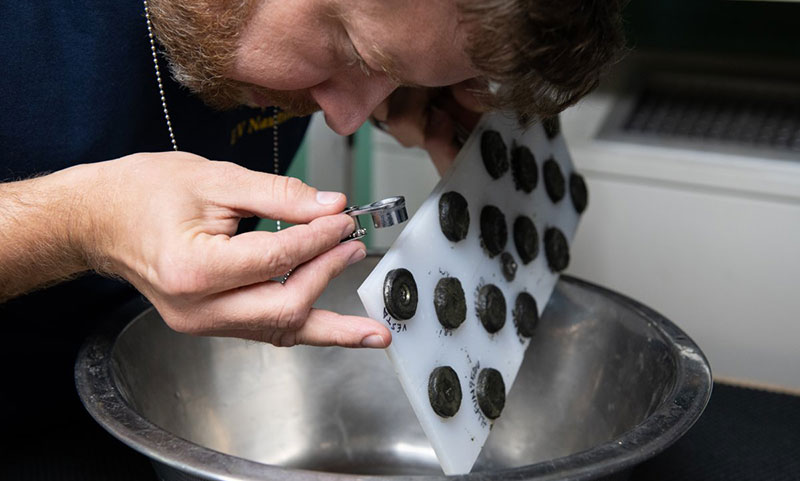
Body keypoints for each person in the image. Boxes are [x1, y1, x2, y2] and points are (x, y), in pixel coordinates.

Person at [0, 0, 623, 478]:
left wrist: (416, 72)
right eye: (351, 49)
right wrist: (76, 220)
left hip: (150, 424)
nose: (346, 119)